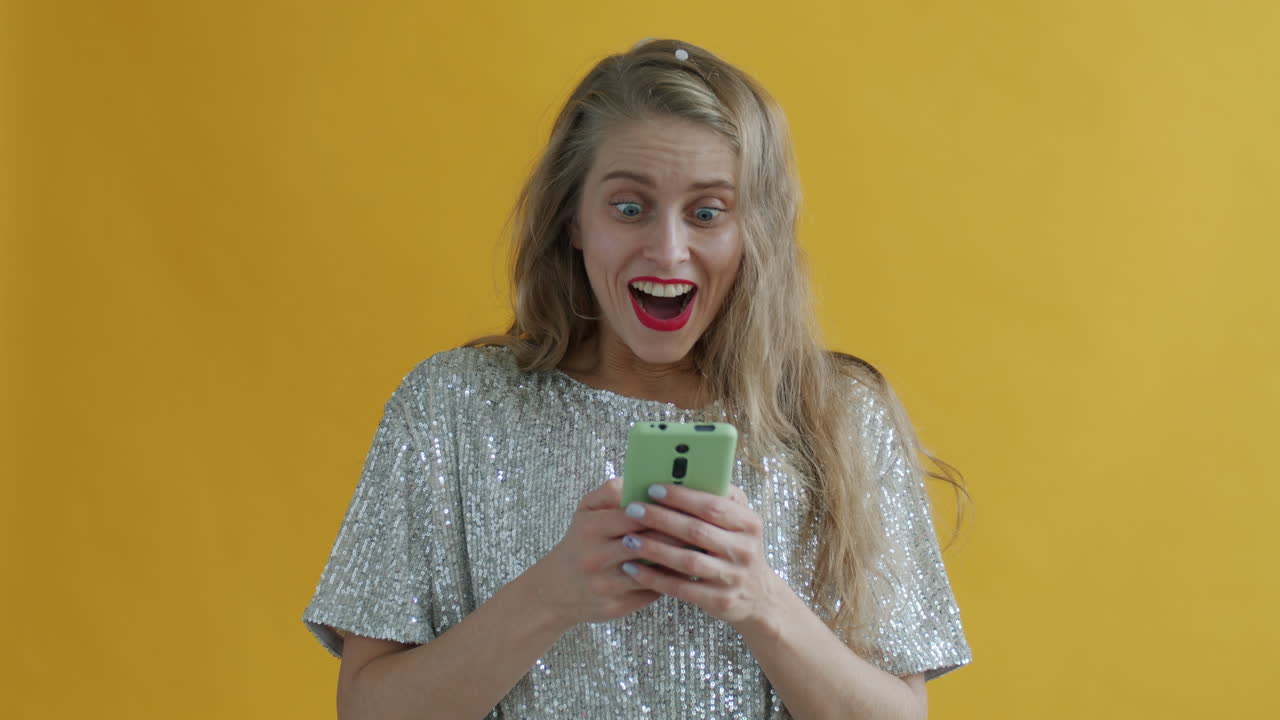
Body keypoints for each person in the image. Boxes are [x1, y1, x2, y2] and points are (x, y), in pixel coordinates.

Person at [302, 38, 971, 719]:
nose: (668, 250)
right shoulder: (452, 408)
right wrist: (550, 596)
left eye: (708, 212)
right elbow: (368, 709)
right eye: (629, 207)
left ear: (754, 231)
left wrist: (761, 601)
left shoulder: (840, 419)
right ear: (573, 221)